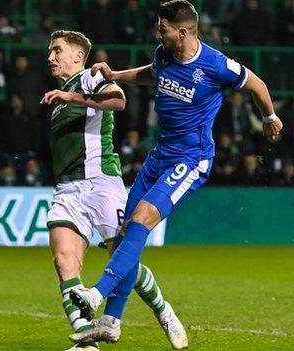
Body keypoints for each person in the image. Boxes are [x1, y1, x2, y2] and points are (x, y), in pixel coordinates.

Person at [63, 1, 283, 346]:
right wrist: (116, 76)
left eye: (162, 28)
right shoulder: (163, 54)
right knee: (123, 236)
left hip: (190, 160)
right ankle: (111, 322)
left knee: (142, 217)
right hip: (158, 157)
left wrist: (269, 118)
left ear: (182, 32)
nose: (157, 33)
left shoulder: (215, 64)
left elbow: (256, 85)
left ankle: (96, 294)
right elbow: (153, 72)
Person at [39, 30, 187, 351]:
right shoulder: (58, 94)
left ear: (78, 56)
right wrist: (64, 97)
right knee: (64, 262)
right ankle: (87, 342)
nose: (51, 57)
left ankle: (163, 310)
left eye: (57, 50)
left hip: (100, 183)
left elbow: (118, 100)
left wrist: (73, 97)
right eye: (51, 51)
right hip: (66, 189)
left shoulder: (88, 79)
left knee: (123, 265)